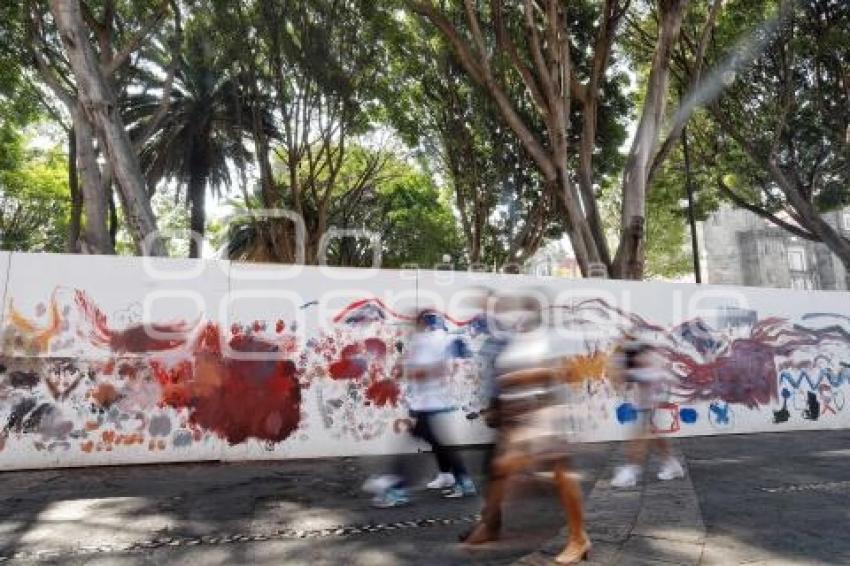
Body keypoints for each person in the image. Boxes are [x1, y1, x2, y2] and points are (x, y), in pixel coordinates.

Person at [461, 292, 591, 565]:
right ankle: (489, 525)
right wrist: (503, 411)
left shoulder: (551, 339)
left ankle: (578, 538)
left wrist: (519, 377)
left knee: (561, 476)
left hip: (544, 413)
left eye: (528, 309)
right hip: (520, 419)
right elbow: (505, 378)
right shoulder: (519, 340)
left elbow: (563, 372)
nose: (522, 314)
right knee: (502, 470)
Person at [365, 309, 476, 507]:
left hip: (432, 402)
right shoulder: (421, 341)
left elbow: (437, 369)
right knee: (438, 443)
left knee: (427, 442)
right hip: (425, 403)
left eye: (416, 322)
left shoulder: (434, 339)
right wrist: (401, 372)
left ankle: (397, 487)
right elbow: (411, 367)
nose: (412, 326)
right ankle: (461, 480)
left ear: (424, 322)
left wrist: (411, 373)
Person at [610, 336, 685, 488]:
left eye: (634, 355)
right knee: (652, 433)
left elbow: (620, 377)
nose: (633, 359)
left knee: (641, 435)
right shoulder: (644, 366)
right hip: (645, 403)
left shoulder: (649, 370)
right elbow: (620, 380)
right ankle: (671, 464)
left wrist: (618, 359)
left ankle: (632, 470)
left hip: (651, 403)